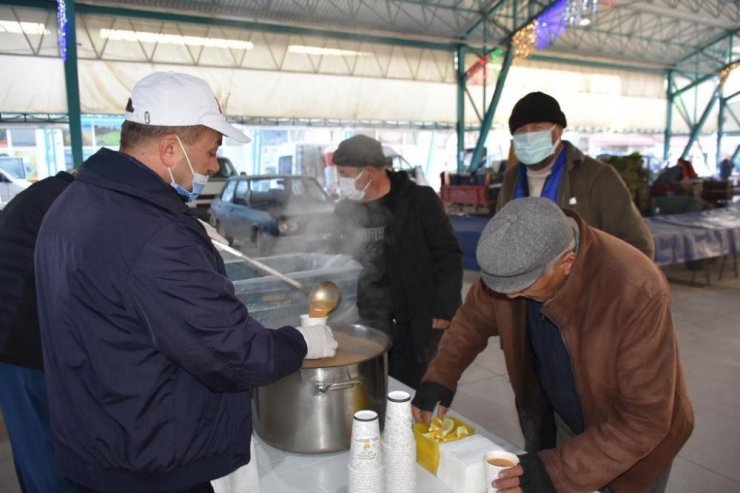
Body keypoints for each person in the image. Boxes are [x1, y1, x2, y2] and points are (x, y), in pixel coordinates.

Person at [34, 71, 337, 492]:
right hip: (147, 465)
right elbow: (234, 353)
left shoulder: (72, 202)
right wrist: (303, 343)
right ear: (170, 148)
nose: (214, 165)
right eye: (211, 151)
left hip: (94, 443)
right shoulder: (155, 236)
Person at [412, 197, 694, 493]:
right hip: (568, 419)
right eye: (502, 289)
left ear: (566, 264)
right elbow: (471, 321)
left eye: (521, 288)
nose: (508, 298)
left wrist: (557, 472)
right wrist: (440, 379)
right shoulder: (511, 271)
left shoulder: (636, 291)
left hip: (635, 441)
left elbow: (644, 420)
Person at [331, 134, 463, 389]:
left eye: (345, 174)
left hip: (413, 318)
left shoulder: (418, 201)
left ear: (368, 172)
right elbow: (338, 257)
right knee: (369, 387)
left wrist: (445, 307)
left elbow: (448, 254)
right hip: (365, 317)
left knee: (408, 391)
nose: (341, 182)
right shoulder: (345, 210)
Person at [499, 91, 654, 259]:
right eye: (521, 131)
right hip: (524, 283)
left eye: (537, 128)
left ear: (558, 130)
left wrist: (600, 282)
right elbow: (499, 237)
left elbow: (638, 245)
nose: (529, 136)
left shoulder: (598, 177)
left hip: (583, 282)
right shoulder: (511, 180)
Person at [0, 170, 78, 493]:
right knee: (46, 458)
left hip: (17, 335)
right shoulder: (68, 203)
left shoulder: (48, 193)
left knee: (34, 452)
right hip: (20, 343)